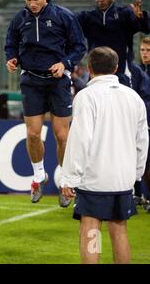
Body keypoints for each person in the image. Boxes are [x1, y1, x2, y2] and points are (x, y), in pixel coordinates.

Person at [61, 47, 148, 264]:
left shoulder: (87, 96)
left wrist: (70, 177)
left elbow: (80, 139)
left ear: (89, 68)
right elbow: (142, 140)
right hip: (123, 178)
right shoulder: (133, 97)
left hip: (95, 178)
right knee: (119, 231)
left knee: (91, 229)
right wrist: (136, 173)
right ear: (116, 68)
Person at [4, 0, 86, 205]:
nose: (32, 4)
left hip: (58, 82)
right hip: (31, 80)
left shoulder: (63, 16)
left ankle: (65, 181)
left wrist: (65, 64)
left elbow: (79, 46)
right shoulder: (19, 19)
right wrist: (11, 59)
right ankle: (39, 177)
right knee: (32, 133)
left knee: (62, 135)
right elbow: (10, 44)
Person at [76, 0, 150, 87]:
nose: (101, 0)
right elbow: (69, 23)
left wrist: (141, 18)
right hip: (95, 73)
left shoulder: (125, 13)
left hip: (121, 71)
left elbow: (145, 29)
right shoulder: (87, 16)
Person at [130, 36, 150, 210]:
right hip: (140, 121)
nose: (145, 53)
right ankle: (138, 194)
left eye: (148, 50)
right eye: (143, 50)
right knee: (138, 157)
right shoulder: (136, 70)